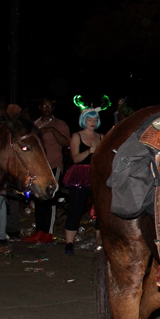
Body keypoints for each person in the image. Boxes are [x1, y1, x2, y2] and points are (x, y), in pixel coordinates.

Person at [24, 99, 70, 244]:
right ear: (39, 107)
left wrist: (52, 131)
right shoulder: (35, 124)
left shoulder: (59, 124)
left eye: (50, 106)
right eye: (44, 106)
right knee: (38, 197)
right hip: (38, 166)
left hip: (54, 165)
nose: (47, 109)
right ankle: (39, 231)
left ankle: (48, 233)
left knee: (50, 196)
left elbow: (66, 143)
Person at [62, 108, 103, 256]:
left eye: (95, 120)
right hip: (80, 174)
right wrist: (89, 151)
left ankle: (99, 243)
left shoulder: (101, 136)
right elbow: (75, 159)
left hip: (96, 175)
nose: (92, 122)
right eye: (89, 119)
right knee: (75, 209)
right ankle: (69, 243)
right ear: (83, 120)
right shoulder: (76, 136)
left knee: (100, 209)